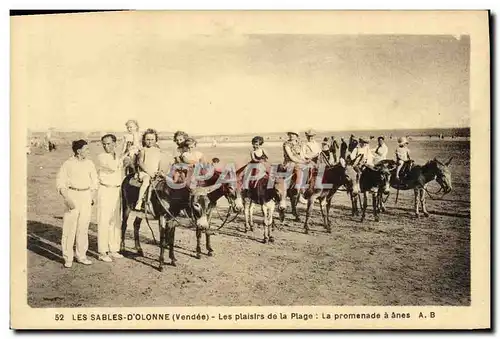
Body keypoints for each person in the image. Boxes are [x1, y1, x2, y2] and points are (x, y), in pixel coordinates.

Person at [56, 139, 98, 268]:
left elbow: (95, 181)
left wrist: (91, 196)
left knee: (83, 228)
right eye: (86, 149)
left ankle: (81, 256)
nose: (88, 151)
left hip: (86, 195)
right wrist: (67, 198)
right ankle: (68, 258)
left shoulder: (90, 163)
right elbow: (60, 182)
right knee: (70, 228)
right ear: (79, 151)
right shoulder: (68, 164)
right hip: (72, 195)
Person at [96, 134, 126, 263]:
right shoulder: (101, 157)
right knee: (104, 220)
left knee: (116, 220)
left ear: (114, 143)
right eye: (104, 144)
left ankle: (114, 249)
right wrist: (125, 153)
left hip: (116, 190)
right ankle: (102, 251)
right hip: (105, 189)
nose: (106, 146)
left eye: (108, 144)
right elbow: (114, 166)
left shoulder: (117, 156)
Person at [135, 129, 162, 211]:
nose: (150, 142)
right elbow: (140, 163)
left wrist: (159, 171)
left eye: (152, 139)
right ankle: (139, 201)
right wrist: (149, 172)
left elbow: (159, 162)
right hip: (145, 173)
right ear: (144, 140)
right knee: (146, 181)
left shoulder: (158, 150)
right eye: (148, 139)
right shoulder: (143, 150)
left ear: (156, 140)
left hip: (155, 173)